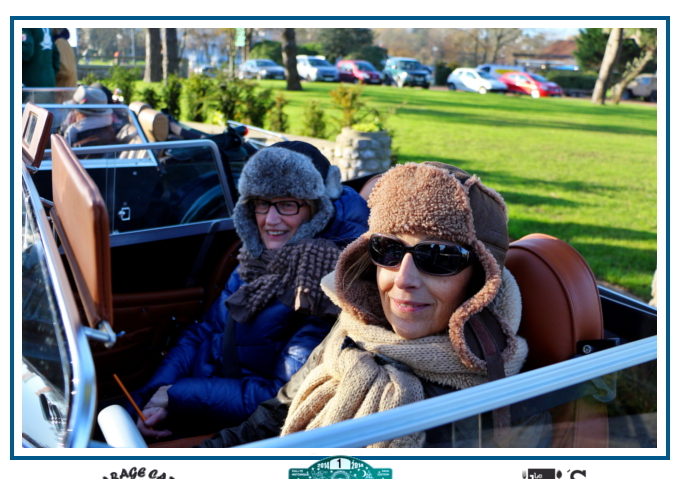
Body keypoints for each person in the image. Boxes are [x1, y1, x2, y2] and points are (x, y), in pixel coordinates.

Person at [199, 161, 551, 448]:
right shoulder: (351, 331)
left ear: (479, 281)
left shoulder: (507, 407)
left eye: (438, 256)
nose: (403, 279)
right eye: (389, 249)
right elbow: (269, 419)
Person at [131, 142, 370, 440]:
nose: (270, 220)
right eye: (261, 202)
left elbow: (282, 397)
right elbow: (206, 329)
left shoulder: (327, 281)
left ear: (318, 208)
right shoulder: (263, 253)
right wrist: (152, 395)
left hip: (241, 427)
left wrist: (176, 396)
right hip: (199, 395)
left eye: (288, 204)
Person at [58, 85, 117, 151]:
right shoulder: (108, 128)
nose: (72, 114)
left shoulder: (78, 136)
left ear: (82, 115)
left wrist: (65, 129)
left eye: (74, 110)